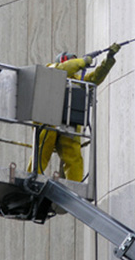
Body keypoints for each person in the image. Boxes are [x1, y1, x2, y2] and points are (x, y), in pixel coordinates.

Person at [27, 43, 121, 182]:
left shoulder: (77, 81)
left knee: (74, 158)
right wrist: (82, 61)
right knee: (42, 152)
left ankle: (74, 185)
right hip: (48, 120)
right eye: (73, 62)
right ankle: (32, 178)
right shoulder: (50, 69)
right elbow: (62, 70)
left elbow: (95, 78)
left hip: (68, 123)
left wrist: (109, 59)